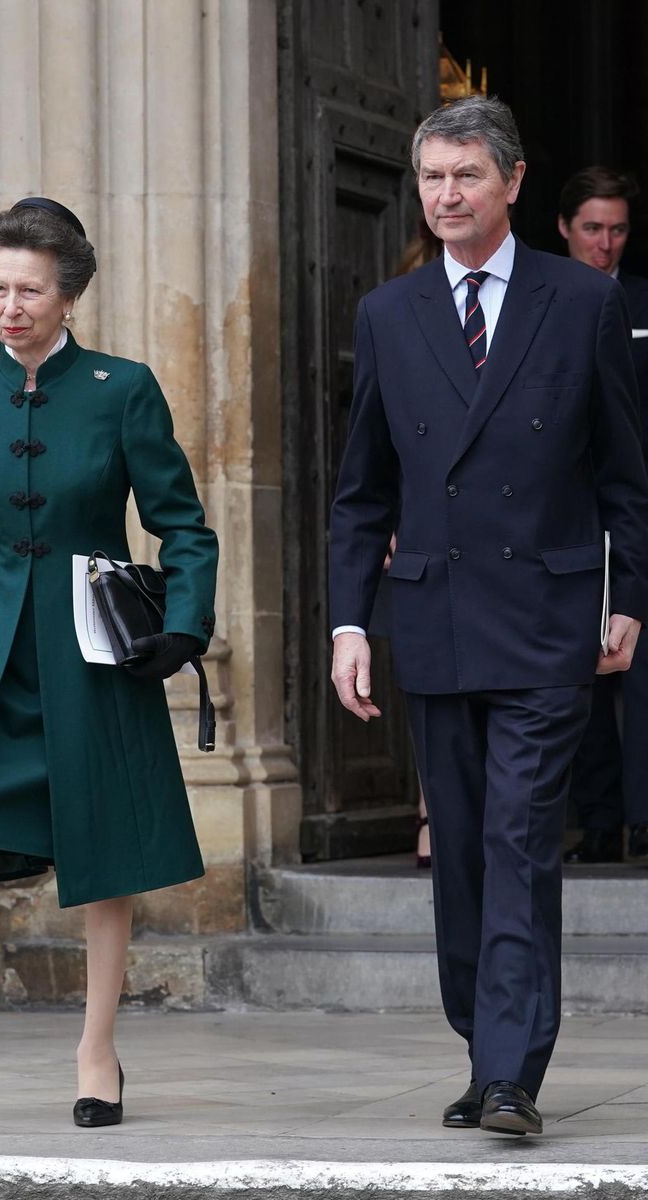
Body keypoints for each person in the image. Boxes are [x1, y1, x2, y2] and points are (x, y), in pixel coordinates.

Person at [329, 96, 648, 1137]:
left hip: (550, 616)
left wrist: (627, 596)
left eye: (467, 175)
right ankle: (485, 1045)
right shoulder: (390, 312)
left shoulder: (581, 302)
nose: (446, 194)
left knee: (518, 838)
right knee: (461, 844)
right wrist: (347, 626)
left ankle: (512, 1070)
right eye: (432, 177)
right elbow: (361, 492)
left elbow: (624, 473)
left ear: (512, 184)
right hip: (434, 618)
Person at [0, 198, 218, 1129]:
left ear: (69, 295)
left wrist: (183, 623)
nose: (10, 306)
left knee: (104, 848)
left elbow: (181, 521)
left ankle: (98, 1051)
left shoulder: (122, 387)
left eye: (30, 290)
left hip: (91, 655)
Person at [557, 166, 648, 864]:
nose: (605, 243)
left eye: (617, 230)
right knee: (578, 664)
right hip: (567, 519)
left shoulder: (642, 303)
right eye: (592, 228)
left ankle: (642, 816)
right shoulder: (540, 305)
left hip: (637, 512)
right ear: (564, 228)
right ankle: (597, 817)